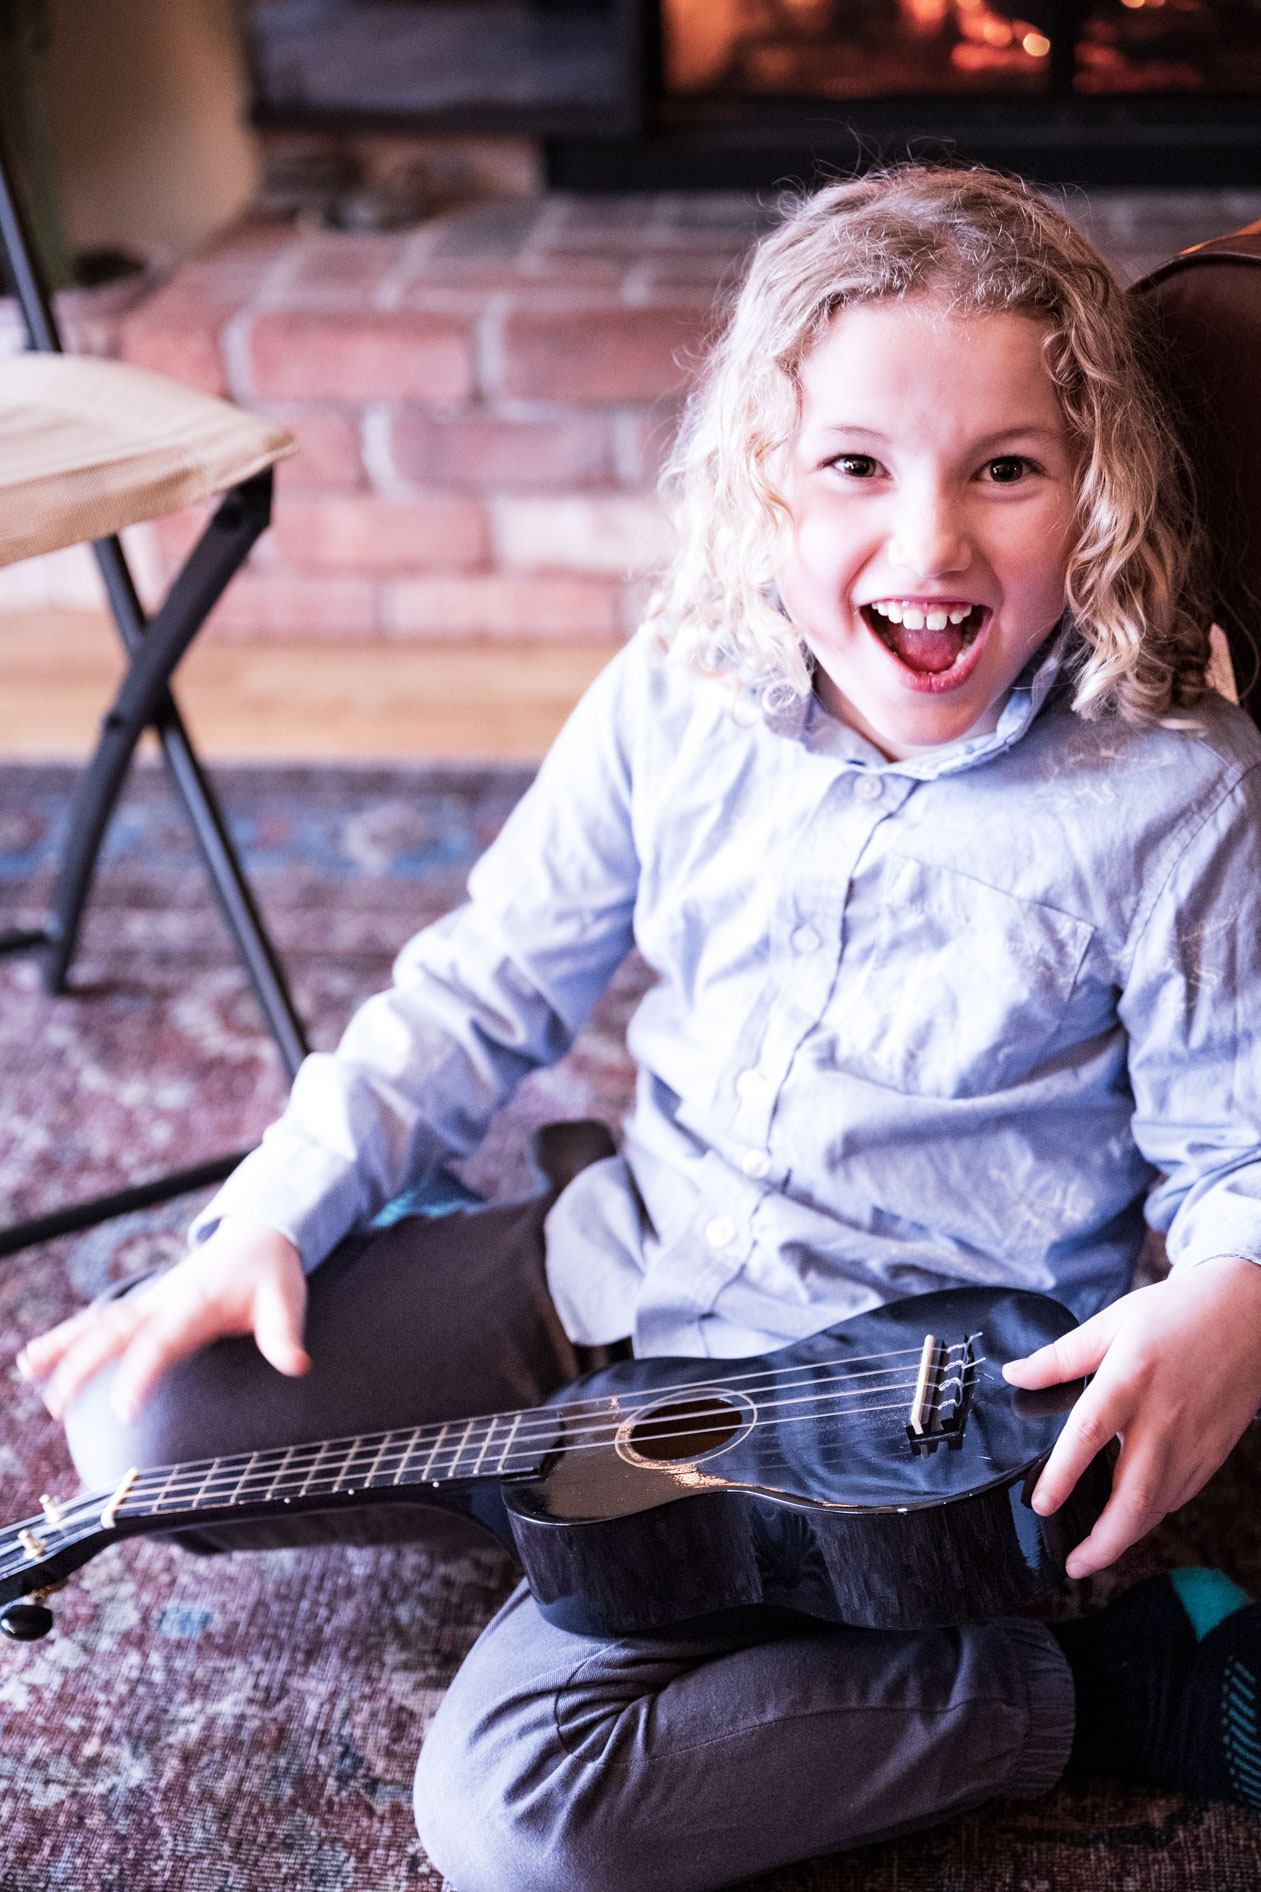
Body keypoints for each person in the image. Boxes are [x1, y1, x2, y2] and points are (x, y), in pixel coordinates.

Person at [18, 165, 1261, 1890]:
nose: (928, 543)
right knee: (141, 1437)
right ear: (764, 480)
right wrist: (268, 1218)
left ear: (1097, 486)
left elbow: (1234, 1149)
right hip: (628, 1258)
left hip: (891, 1399)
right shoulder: (678, 691)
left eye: (1006, 470)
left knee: (526, 1821)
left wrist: (1234, 1292)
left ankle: (1069, 1682)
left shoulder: (1171, 791)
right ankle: (554, 1507)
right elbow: (482, 985)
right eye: (853, 468)